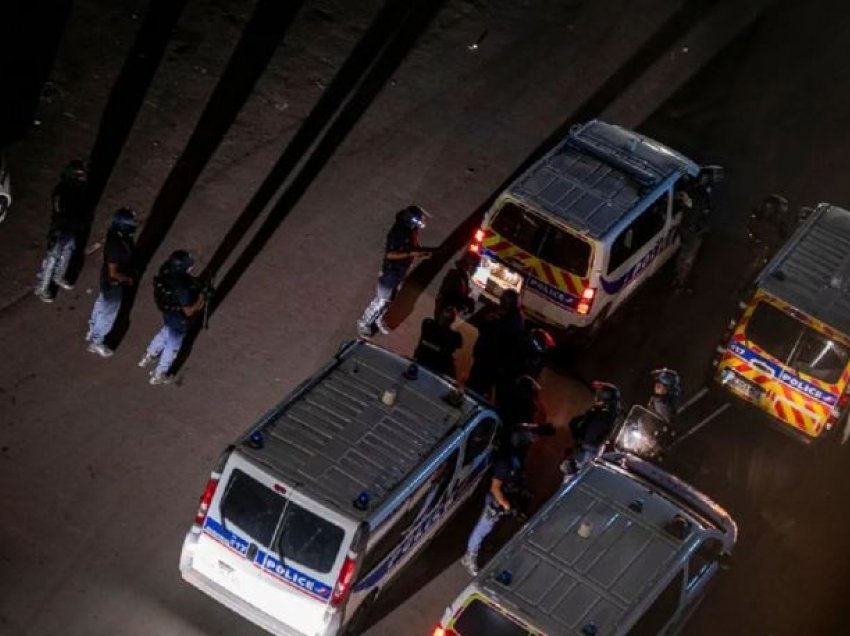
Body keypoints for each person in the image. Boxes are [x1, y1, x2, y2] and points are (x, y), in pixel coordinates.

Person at [461, 421, 554, 576]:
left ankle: (480, 545)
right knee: (482, 528)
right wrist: (506, 504)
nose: (531, 442)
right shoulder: (505, 462)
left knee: (489, 527)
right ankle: (469, 556)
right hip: (496, 501)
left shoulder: (515, 455)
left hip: (506, 496)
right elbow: (495, 488)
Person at [357, 206, 436, 337]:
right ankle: (363, 323)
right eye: (418, 222)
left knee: (390, 299)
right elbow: (390, 254)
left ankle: (378, 319)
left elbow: (412, 247)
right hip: (390, 272)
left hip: (400, 271)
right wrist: (412, 253)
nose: (421, 224)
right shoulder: (398, 233)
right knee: (381, 300)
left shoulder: (411, 230)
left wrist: (420, 253)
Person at [139, 250, 206, 385]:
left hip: (167, 311)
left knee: (166, 331)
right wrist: (201, 299)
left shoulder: (166, 270)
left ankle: (149, 355)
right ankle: (159, 374)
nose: (190, 267)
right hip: (179, 318)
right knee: (172, 345)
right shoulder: (182, 289)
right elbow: (189, 311)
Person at [34, 160, 92, 302]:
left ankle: (59, 276)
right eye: (79, 175)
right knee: (52, 256)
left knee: (68, 251)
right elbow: (58, 211)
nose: (82, 178)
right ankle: (41, 287)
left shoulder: (78, 191)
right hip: (61, 227)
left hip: (72, 227)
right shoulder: (61, 191)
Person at [85, 208, 138, 357]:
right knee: (108, 314)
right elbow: (114, 274)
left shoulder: (117, 235)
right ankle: (97, 342)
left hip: (108, 281)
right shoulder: (116, 246)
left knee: (101, 304)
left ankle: (93, 331)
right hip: (113, 284)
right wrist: (128, 279)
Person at [466, 289, 524, 399]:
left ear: (509, 302)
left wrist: (491, 321)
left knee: (477, 389)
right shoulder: (508, 316)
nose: (500, 300)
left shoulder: (510, 319)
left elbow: (499, 337)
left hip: (489, 361)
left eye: (503, 299)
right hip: (487, 359)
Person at [561, 382, 620, 479]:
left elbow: (590, 434)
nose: (596, 397)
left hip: (587, 452)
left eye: (599, 394)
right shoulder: (601, 412)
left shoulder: (604, 414)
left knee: (572, 480)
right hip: (584, 450)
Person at [673, 173, 712, 292]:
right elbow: (706, 213)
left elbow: (679, 199)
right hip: (696, 232)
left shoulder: (690, 192)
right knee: (687, 258)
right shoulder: (705, 197)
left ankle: (679, 278)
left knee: (683, 255)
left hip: (686, 228)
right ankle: (680, 280)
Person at [413, 305, 463, 378]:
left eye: (448, 319)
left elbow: (451, 351)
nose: (445, 320)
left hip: (438, 367)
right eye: (444, 316)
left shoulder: (454, 336)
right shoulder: (429, 324)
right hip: (422, 360)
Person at [434, 250, 481, 318]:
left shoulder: (463, 277)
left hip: (447, 313)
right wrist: (466, 302)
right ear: (467, 264)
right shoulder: (456, 276)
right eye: (474, 266)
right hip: (445, 314)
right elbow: (449, 296)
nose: (475, 269)